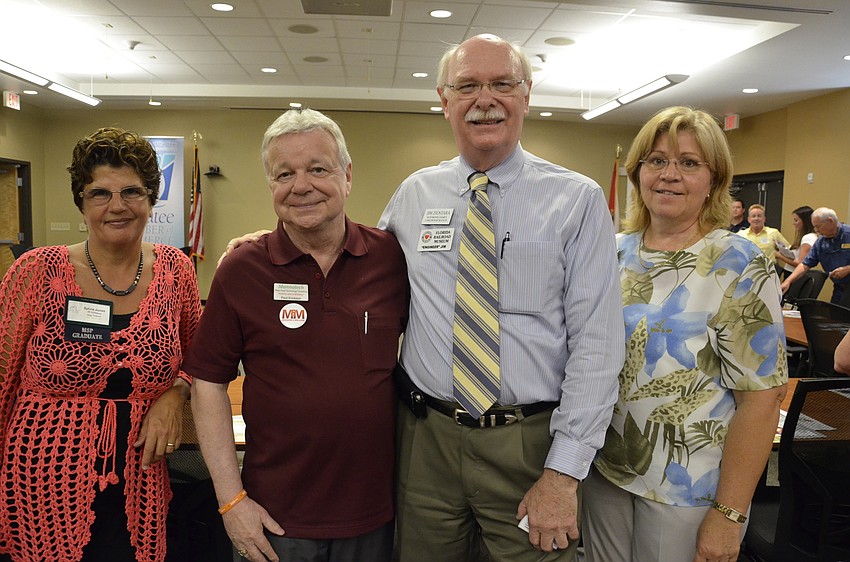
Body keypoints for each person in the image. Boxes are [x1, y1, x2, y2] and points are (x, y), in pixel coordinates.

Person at [379, 34, 624, 561]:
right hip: (427, 442)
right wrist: (275, 244)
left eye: (501, 84)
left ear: (526, 95)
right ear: (445, 101)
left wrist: (563, 474)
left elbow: (598, 346)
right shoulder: (414, 195)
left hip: (531, 446)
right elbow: (361, 278)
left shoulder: (576, 201)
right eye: (467, 85)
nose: (484, 98)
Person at [184, 109, 409, 562]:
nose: (301, 185)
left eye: (318, 169)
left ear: (347, 176)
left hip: (376, 516)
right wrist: (231, 502)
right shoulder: (242, 268)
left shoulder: (391, 258)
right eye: (284, 174)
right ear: (271, 186)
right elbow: (207, 385)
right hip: (273, 520)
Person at [581, 106, 788, 562]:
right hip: (604, 472)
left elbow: (761, 400)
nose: (669, 175)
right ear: (637, 174)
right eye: (656, 161)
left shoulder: (739, 263)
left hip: (690, 489)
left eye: (689, 163)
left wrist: (730, 513)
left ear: (713, 180)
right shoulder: (611, 252)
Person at [0, 127, 201, 562]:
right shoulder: (36, 272)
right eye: (99, 193)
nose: (117, 206)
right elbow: (1, 378)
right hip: (42, 476)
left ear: (151, 199)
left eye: (132, 191)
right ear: (81, 201)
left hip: (143, 476)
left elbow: (200, 355)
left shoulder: (176, 270)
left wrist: (177, 391)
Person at [781, 207, 850, 304]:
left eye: (818, 226)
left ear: (830, 221)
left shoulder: (848, 234)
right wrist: (788, 281)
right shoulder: (821, 242)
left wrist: (847, 269)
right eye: (814, 227)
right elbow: (805, 265)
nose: (816, 230)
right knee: (836, 316)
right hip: (839, 288)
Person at [775, 205, 817, 278]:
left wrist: (780, 256)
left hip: (795, 275)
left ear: (805, 221)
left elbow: (801, 263)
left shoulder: (808, 238)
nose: (794, 223)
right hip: (792, 273)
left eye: (796, 220)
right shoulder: (808, 237)